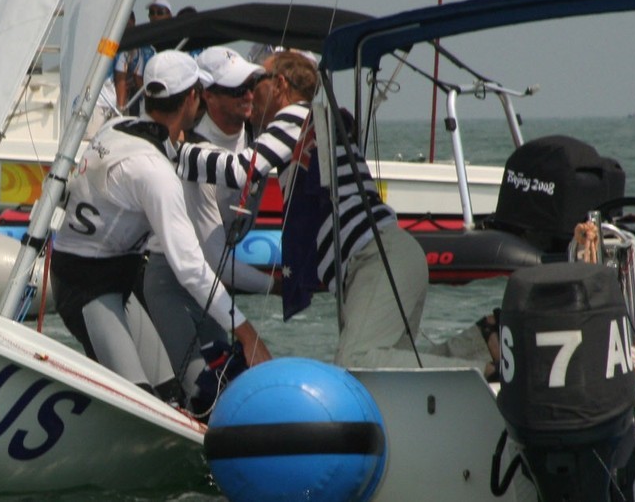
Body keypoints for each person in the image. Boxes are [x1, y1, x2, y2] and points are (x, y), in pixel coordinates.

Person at [170, 50, 496, 370]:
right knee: (392, 377)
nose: (251, 93)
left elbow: (241, 170)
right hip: (384, 255)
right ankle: (482, 345)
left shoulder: (297, 116)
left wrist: (174, 149)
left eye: (258, 82)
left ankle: (479, 365)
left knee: (357, 362)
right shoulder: (315, 121)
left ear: (280, 84)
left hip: (374, 256)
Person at [50, 50, 273, 403]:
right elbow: (191, 267)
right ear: (192, 98)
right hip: (87, 288)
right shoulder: (155, 172)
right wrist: (246, 333)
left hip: (113, 279)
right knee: (138, 401)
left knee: (169, 394)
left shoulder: (115, 127)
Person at [142, 46, 276, 408]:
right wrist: (275, 284)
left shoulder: (258, 138)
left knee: (236, 381)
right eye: (236, 89)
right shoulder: (194, 155)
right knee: (203, 392)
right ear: (207, 96)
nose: (248, 94)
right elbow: (211, 254)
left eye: (250, 84)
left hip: (212, 284)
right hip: (172, 278)